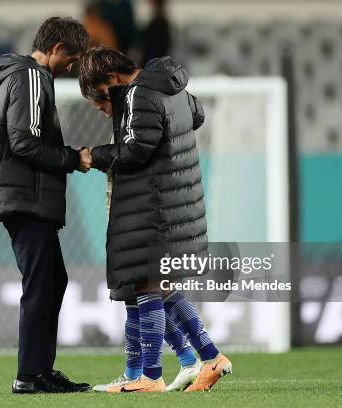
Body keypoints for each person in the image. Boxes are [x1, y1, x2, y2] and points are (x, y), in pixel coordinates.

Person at [78, 47, 232, 392]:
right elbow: (197, 116)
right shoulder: (171, 88)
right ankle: (207, 358)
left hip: (157, 206)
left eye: (103, 102)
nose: (106, 113)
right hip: (178, 202)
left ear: (111, 80)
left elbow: (136, 149)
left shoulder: (139, 93)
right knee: (158, 287)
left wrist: (94, 156)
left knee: (149, 286)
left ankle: (151, 375)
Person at [0, 17, 92, 394]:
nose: (72, 68)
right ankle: (29, 375)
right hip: (24, 196)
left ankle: (41, 369)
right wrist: (73, 159)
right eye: (71, 59)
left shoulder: (24, 77)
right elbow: (23, 142)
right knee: (41, 283)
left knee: (52, 280)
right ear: (56, 49)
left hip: (21, 193)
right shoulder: (30, 77)